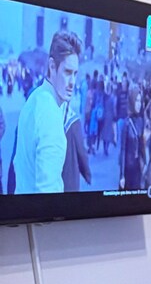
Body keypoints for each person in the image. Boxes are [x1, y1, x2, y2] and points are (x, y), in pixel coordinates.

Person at [11, 30, 80, 194]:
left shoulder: (35, 98)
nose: (72, 82)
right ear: (52, 66)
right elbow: (47, 191)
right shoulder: (50, 113)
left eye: (75, 74)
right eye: (67, 72)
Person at [119, 85, 146, 190]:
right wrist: (122, 175)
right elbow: (123, 150)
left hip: (137, 168)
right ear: (132, 102)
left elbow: (141, 145)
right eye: (136, 101)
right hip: (127, 169)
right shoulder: (126, 124)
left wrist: (145, 162)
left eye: (140, 101)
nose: (139, 104)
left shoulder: (141, 121)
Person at [61, 99, 93, 191]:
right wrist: (87, 173)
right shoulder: (72, 121)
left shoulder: (47, 117)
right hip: (68, 178)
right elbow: (81, 150)